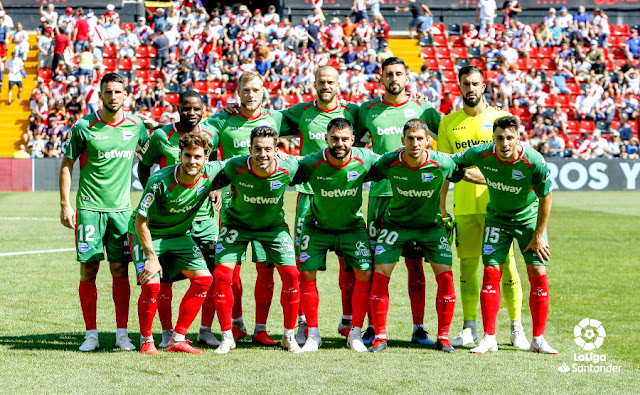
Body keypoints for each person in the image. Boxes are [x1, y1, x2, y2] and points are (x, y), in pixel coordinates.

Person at [367, 118, 480, 353]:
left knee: (446, 277)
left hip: (431, 227)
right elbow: (364, 172)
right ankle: (380, 336)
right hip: (396, 227)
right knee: (380, 274)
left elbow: (467, 175)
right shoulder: (390, 162)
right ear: (403, 141)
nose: (415, 143)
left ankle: (443, 337)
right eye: (410, 139)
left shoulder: (442, 163)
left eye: (420, 139)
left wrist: (500, 179)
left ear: (428, 141)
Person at [437, 65, 528, 349]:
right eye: (466, 83)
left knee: (507, 266)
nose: (471, 88)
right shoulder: (448, 123)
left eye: (475, 83)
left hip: (498, 207)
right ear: (459, 85)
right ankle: (469, 328)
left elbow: (513, 163)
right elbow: (444, 167)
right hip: (463, 205)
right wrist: (441, 207)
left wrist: (474, 174)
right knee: (467, 267)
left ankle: (516, 328)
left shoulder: (500, 118)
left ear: (484, 85)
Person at [452, 115, 558, 355]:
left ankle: (538, 338)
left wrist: (538, 235)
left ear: (518, 138)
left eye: (509, 137)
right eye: (499, 138)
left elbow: (546, 197)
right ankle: (489, 338)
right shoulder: (482, 153)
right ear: (493, 139)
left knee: (538, 273)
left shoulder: (534, 160)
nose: (504, 142)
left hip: (528, 219)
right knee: (491, 272)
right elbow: (453, 162)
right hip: (497, 219)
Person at [59, 72, 148, 352]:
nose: (113, 96)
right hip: (89, 210)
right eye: (108, 92)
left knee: (121, 269)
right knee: (89, 269)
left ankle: (122, 333)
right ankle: (91, 334)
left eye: (118, 92)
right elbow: (66, 164)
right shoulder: (84, 126)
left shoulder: (136, 126)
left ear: (125, 95)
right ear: (101, 94)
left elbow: (155, 154)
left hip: (122, 212)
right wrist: (65, 204)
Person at [202, 71, 291, 345]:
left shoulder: (277, 118)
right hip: (233, 206)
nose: (250, 95)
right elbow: (201, 140)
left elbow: (316, 118)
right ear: (237, 92)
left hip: (267, 208)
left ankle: (261, 329)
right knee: (230, 272)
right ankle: (236, 324)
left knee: (266, 269)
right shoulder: (222, 119)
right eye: (245, 90)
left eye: (255, 90)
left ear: (263, 90)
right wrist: (215, 186)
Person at [356, 57, 441, 346]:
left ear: (407, 78)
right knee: (376, 265)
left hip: (415, 199)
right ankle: (372, 327)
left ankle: (419, 328)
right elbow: (347, 142)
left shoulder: (423, 108)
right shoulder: (368, 111)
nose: (394, 78)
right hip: (380, 197)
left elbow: (447, 135)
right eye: (388, 74)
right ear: (381, 78)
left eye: (399, 74)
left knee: (415, 266)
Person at [278, 66, 360, 342]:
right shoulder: (300, 112)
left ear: (339, 84)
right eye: (321, 82)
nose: (326, 86)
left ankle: (348, 320)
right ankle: (303, 321)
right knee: (305, 264)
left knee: (348, 261)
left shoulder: (354, 112)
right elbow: (261, 118)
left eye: (330, 82)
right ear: (314, 83)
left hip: (342, 193)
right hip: (308, 194)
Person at [137, 91, 223, 348]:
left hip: (198, 223)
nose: (192, 113)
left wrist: (214, 189)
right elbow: (144, 169)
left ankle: (187, 334)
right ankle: (153, 337)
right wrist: (157, 201)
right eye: (186, 108)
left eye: (196, 108)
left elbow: (226, 166)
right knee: (158, 282)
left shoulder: (211, 136)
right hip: (160, 225)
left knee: (207, 277)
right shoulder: (162, 138)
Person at [212, 126, 302, 354]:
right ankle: (227, 336)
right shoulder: (234, 166)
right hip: (237, 225)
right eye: (258, 149)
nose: (263, 154)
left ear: (276, 150)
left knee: (291, 275)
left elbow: (314, 165)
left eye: (268, 149)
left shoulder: (288, 166)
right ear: (249, 149)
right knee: (223, 274)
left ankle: (288, 336)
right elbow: (208, 175)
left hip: (272, 227)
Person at [291, 118, 376, 352]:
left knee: (365, 273)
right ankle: (313, 334)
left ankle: (355, 333)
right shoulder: (311, 162)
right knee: (306, 273)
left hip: (352, 228)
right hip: (317, 227)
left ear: (353, 140)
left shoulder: (365, 158)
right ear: (326, 139)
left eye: (345, 139)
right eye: (335, 139)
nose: (340, 143)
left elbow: (389, 165)